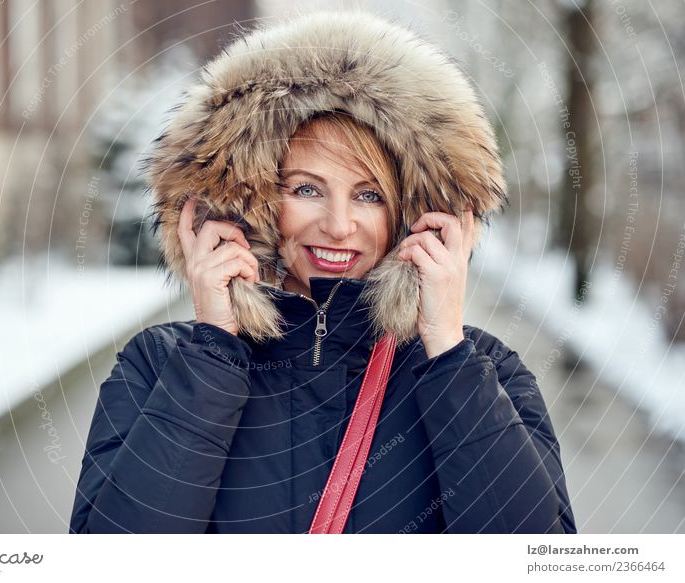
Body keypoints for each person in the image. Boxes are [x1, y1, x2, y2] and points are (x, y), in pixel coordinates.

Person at [69, 11, 577, 534]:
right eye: (306, 189)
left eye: (369, 195)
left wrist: (446, 352)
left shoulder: (485, 373)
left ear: (412, 215)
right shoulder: (159, 367)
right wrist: (212, 355)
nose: (338, 226)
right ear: (251, 203)